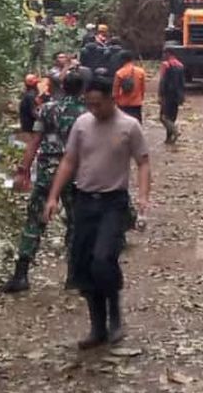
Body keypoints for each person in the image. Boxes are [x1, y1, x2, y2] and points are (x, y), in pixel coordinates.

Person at [45, 75, 151, 349]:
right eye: (89, 104)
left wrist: (143, 198)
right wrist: (53, 196)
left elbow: (143, 163)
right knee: (83, 265)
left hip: (112, 203)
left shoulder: (129, 126)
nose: (94, 109)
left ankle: (115, 315)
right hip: (84, 202)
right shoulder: (82, 124)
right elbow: (69, 161)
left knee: (103, 260)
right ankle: (97, 326)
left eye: (98, 104)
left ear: (111, 98)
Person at [0, 71, 88, 293]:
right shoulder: (87, 113)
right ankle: (74, 277)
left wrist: (24, 170)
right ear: (83, 89)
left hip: (48, 170)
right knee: (76, 222)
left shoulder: (47, 109)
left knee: (34, 220)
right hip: (75, 173)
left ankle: (21, 275)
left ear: (62, 87)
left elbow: (34, 141)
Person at [159, 47, 186, 144]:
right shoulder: (180, 65)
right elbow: (182, 82)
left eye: (164, 54)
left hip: (167, 95)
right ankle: (169, 139)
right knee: (172, 118)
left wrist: (160, 95)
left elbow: (163, 81)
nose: (163, 56)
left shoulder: (166, 65)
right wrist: (182, 95)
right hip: (177, 95)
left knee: (163, 117)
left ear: (168, 54)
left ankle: (175, 131)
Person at [114, 51, 147, 123]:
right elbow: (143, 88)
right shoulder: (141, 72)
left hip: (123, 103)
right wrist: (141, 99)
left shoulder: (119, 73)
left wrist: (116, 102)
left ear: (122, 60)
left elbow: (115, 91)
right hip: (136, 103)